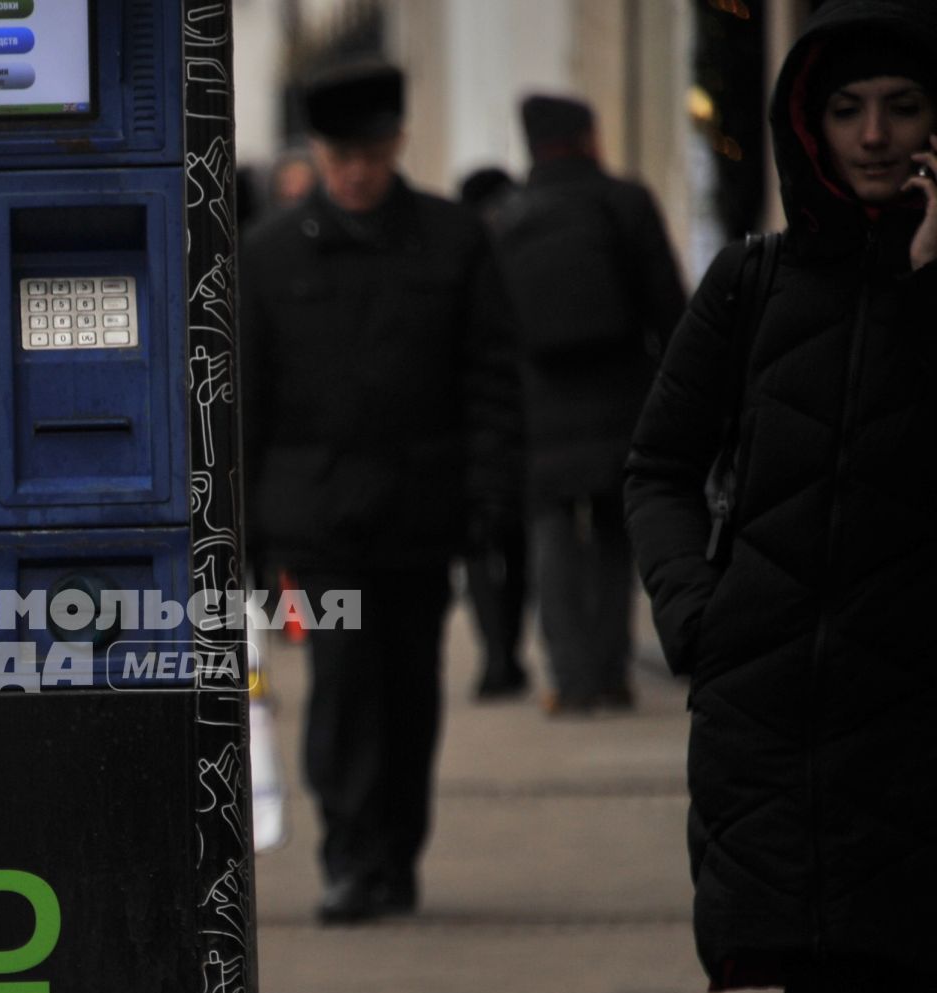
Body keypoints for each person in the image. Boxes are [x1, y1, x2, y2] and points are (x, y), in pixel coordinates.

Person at [626, 2, 937, 993]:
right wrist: (699, 615)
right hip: (787, 722)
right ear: (806, 125)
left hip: (924, 717)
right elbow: (656, 461)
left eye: (903, 106)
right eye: (847, 109)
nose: (872, 135)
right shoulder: (752, 282)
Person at [240, 61, 523, 925]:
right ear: (320, 154)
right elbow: (247, 398)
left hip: (421, 510)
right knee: (343, 683)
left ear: (397, 143)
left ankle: (396, 852)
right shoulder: (271, 251)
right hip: (320, 522)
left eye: (369, 151)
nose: (355, 170)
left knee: (409, 689)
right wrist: (247, 534)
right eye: (339, 154)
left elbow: (491, 380)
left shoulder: (452, 239)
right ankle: (350, 855)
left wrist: (489, 500)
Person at [497, 94, 686, 716]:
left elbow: (490, 331)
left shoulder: (507, 217)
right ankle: (610, 673)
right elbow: (668, 304)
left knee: (551, 539)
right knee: (613, 533)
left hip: (539, 403)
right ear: (587, 137)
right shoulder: (625, 202)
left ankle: (568, 678)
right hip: (620, 395)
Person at [457, 165, 532, 700]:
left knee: (481, 549)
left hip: (469, 426)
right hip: (523, 422)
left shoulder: (457, 257)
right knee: (516, 544)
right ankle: (506, 654)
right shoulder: (528, 244)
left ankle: (496, 656)